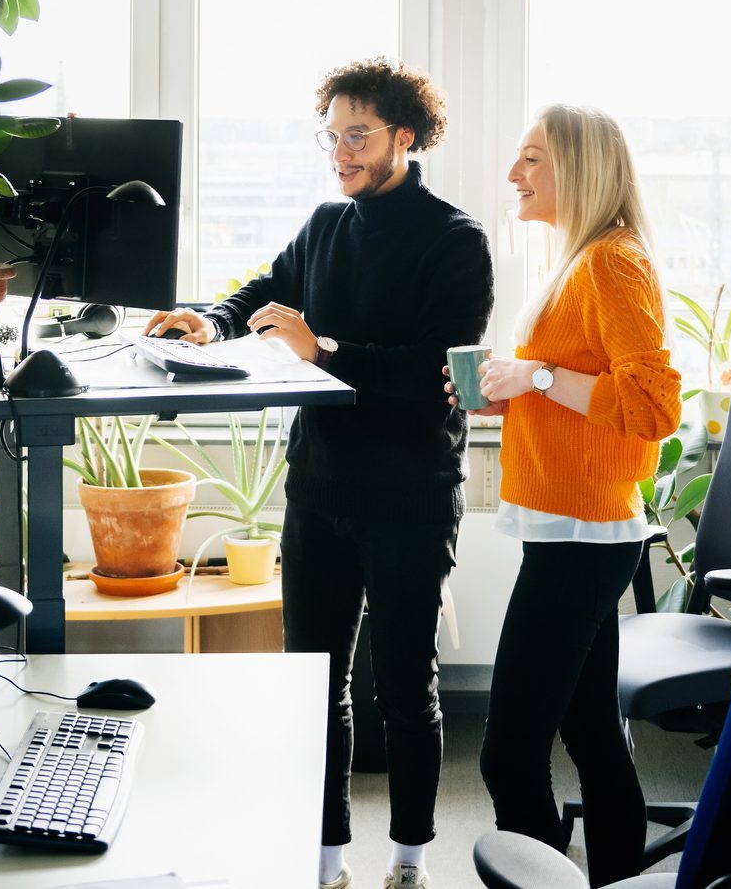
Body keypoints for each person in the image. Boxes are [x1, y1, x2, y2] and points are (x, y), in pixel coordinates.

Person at [148, 57, 493, 889]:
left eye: (358, 135)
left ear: (405, 138)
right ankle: (326, 856)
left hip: (410, 494)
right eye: (332, 134)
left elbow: (427, 378)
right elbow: (268, 292)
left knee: (407, 689)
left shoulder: (457, 241)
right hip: (321, 490)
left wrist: (324, 348)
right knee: (314, 685)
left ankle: (409, 858)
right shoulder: (325, 225)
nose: (340, 150)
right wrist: (212, 319)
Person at [443, 103, 681, 887]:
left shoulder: (614, 262)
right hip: (572, 528)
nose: (514, 174)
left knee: (508, 755)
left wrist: (537, 375)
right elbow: (586, 386)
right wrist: (514, 390)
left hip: (585, 538)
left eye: (533, 158)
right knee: (591, 737)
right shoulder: (580, 260)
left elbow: (650, 408)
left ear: (579, 167)